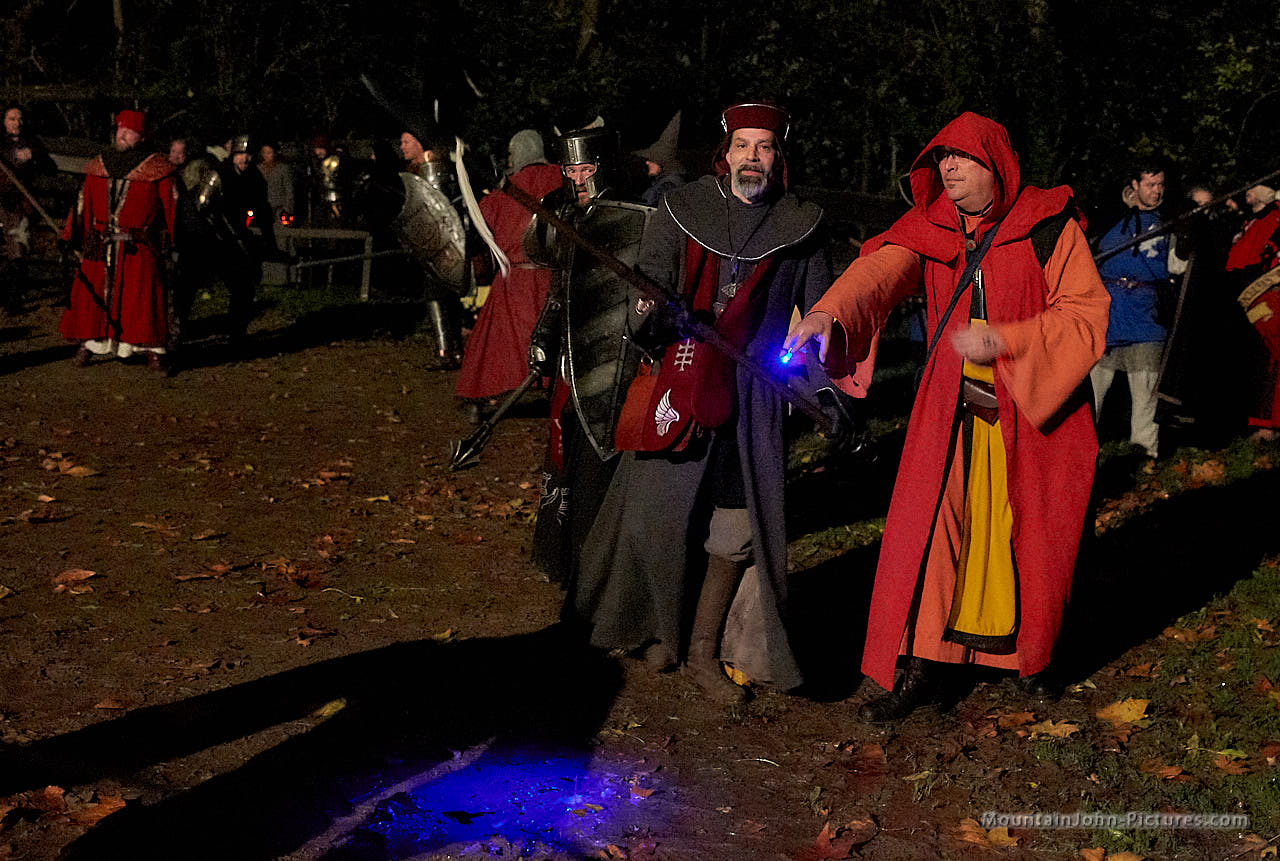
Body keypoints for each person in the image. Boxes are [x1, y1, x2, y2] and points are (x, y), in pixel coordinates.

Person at [786, 111, 1109, 720]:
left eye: (962, 158)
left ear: (997, 166)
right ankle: (923, 666)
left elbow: (1085, 314)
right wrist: (829, 313)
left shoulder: (1049, 226)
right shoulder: (931, 227)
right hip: (951, 414)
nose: (949, 168)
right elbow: (877, 273)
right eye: (942, 158)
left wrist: (1007, 339)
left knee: (1034, 537)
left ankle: (1035, 658)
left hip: (1034, 414)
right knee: (934, 536)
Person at [575, 103, 836, 704]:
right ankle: (661, 629)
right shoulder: (682, 209)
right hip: (685, 373)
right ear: (726, 152)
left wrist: (821, 388)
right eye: (743, 145)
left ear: (778, 156)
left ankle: (701, 650)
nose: (752, 157)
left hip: (755, 394)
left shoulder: (802, 226)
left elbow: (821, 313)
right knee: (660, 515)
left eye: (764, 147)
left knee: (735, 528)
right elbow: (648, 289)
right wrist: (654, 309)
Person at [527, 127, 651, 589]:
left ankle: (603, 571)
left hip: (618, 364)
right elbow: (559, 292)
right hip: (572, 361)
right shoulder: (566, 219)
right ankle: (568, 561)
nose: (577, 179)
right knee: (567, 459)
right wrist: (543, 336)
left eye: (586, 169)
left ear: (604, 169)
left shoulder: (635, 221)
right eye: (570, 170)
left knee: (603, 466)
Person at [60, 109, 177, 373]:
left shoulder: (158, 168)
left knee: (141, 301)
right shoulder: (99, 165)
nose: (122, 135)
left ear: (142, 136)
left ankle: (152, 349)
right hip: (100, 243)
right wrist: (71, 234)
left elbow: (171, 209)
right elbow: (82, 203)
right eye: (120, 129)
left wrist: (170, 240)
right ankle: (90, 343)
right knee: (93, 300)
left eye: (130, 131)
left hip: (138, 245)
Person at [456, 129, 564, 408]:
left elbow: (483, 221)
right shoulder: (563, 178)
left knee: (504, 341)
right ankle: (553, 387)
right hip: (556, 277)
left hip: (515, 280)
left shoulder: (505, 190)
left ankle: (492, 392)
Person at [1090, 165, 1176, 459]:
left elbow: (1178, 266)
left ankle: (1145, 455)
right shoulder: (1110, 216)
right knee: (1092, 393)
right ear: (1136, 185)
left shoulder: (1169, 222)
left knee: (1145, 393)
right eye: (1151, 184)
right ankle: (1082, 453)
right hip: (1108, 318)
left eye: (1160, 184)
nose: (1157, 191)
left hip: (1146, 317)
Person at [1226, 185, 1280, 438]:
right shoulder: (1251, 222)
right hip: (1255, 294)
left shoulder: (1275, 218)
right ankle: (1262, 422)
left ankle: (1267, 424)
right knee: (1262, 357)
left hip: (1270, 296)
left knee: (1271, 356)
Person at [1, 105, 56, 308]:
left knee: (19, 246)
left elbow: (49, 167)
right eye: (12, 119)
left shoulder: (31, 143)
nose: (17, 123)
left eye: (20, 119)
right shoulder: (1, 143)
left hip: (18, 203)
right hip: (2, 199)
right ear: (4, 121)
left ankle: (14, 298)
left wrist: (32, 155)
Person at [633, 110, 685, 207]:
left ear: (662, 162)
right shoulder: (660, 181)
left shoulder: (669, 187)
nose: (647, 163)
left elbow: (653, 210)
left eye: (652, 160)